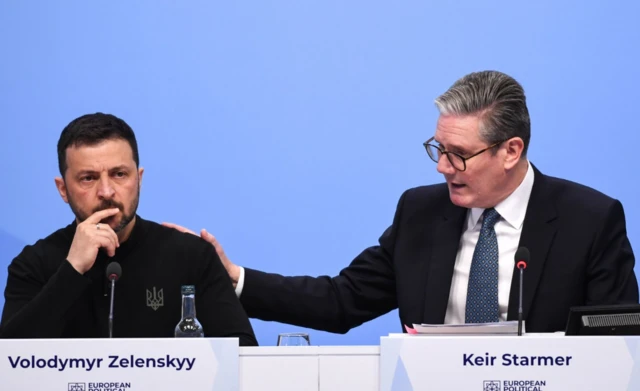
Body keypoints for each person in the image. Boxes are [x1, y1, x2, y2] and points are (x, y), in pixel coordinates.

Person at [165, 70, 639, 334]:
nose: (441, 168)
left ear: (511, 151)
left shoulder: (589, 221)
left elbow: (618, 340)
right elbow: (341, 300)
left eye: (459, 156)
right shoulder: (421, 212)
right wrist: (234, 278)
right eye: (438, 150)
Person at [0, 113, 258, 346]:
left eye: (119, 174)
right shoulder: (33, 264)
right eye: (88, 178)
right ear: (63, 190)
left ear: (139, 179)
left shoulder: (191, 256)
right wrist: (72, 270)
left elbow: (243, 353)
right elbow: (8, 363)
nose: (106, 192)